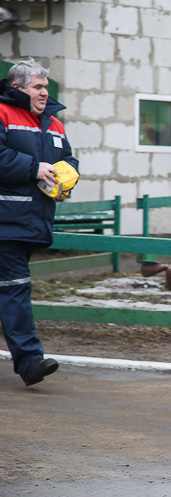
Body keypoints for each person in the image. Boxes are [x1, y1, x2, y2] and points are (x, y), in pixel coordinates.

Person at [0, 59, 79, 387]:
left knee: (9, 290)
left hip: (34, 222)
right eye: (38, 87)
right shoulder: (3, 114)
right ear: (17, 88)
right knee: (16, 288)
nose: (45, 92)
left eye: (46, 87)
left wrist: (70, 171)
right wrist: (33, 168)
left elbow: (66, 158)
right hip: (6, 222)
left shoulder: (55, 124)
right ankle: (30, 361)